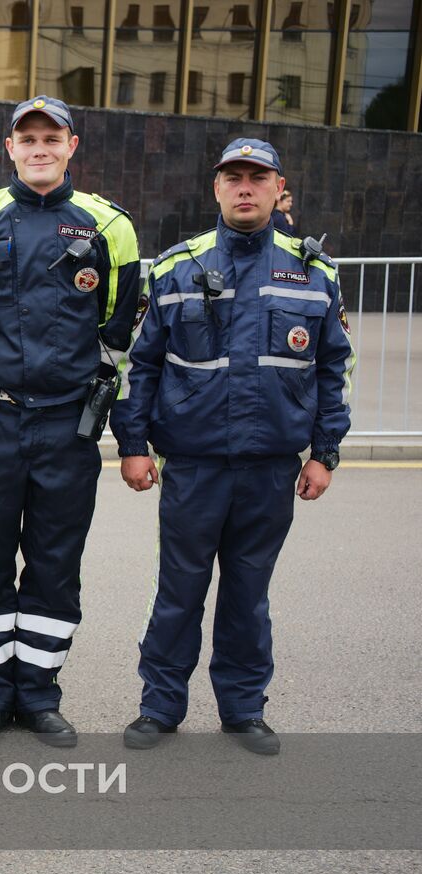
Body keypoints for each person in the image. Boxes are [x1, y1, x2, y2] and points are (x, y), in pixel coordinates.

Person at [111, 138, 354, 756]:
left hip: (271, 468)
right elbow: (140, 367)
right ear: (216, 190)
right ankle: (159, 708)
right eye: (233, 178)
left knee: (248, 595)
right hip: (191, 466)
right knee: (179, 592)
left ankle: (244, 709)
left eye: (258, 178)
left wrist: (324, 453)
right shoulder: (175, 269)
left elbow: (334, 369)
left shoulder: (313, 272)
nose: (245, 188)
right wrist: (132, 444)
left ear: (279, 190)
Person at [0, 96, 141, 748]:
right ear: (10, 147)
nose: (40, 147)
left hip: (68, 431)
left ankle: (40, 694)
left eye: (53, 136)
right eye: (29, 138)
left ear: (72, 145)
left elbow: (118, 339)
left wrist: (106, 413)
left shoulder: (110, 228)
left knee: (55, 564)